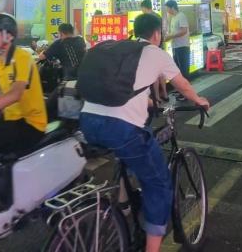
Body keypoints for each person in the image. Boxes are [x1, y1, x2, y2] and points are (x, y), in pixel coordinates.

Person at [78, 13, 210, 252]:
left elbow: (126, 90)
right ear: (157, 33)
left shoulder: (119, 49)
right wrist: (199, 100)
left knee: (132, 151)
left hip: (87, 121)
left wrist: (150, 103)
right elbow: (182, 84)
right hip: (121, 129)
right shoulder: (155, 53)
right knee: (159, 185)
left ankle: (122, 203)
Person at [0, 13, 48, 218]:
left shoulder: (22, 58)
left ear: (8, 36)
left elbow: (15, 93)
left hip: (30, 124)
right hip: (11, 120)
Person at [163, 0, 191, 83]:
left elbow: (184, 31)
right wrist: (168, 37)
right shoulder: (173, 18)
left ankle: (186, 89)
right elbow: (174, 32)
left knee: (184, 70)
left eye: (167, 8)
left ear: (172, 7)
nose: (167, 10)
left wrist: (171, 36)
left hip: (183, 47)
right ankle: (181, 88)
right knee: (178, 69)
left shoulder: (181, 16)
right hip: (175, 47)